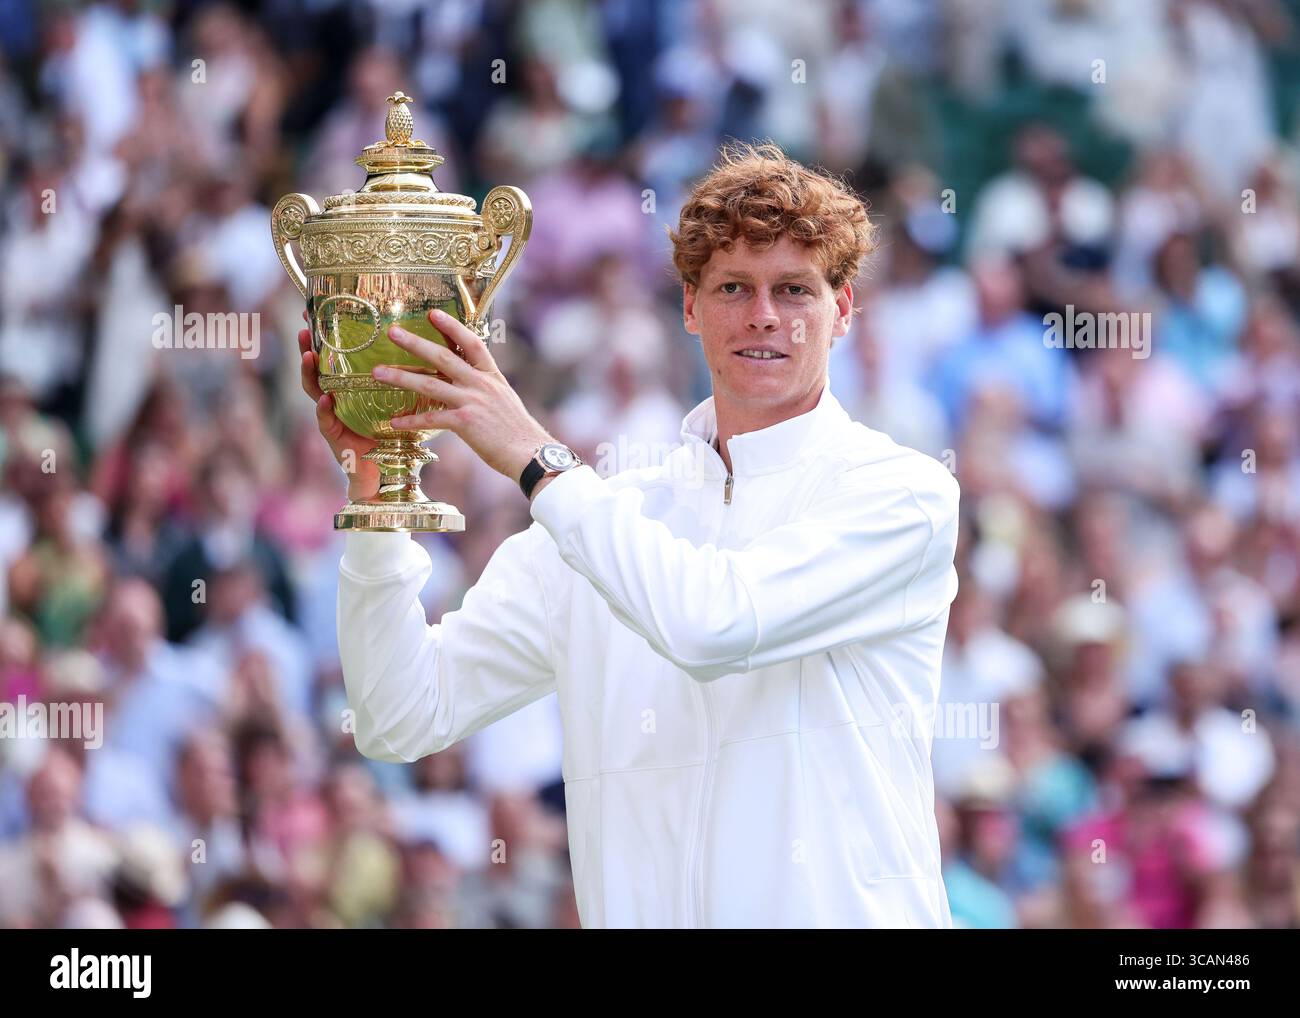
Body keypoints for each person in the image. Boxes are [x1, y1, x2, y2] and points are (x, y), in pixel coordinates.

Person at [303, 142, 961, 928]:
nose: (763, 315)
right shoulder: (600, 519)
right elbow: (398, 714)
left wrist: (536, 460)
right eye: (732, 288)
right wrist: (379, 503)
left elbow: (713, 623)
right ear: (688, 308)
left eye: (794, 289)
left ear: (843, 309)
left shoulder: (904, 495)